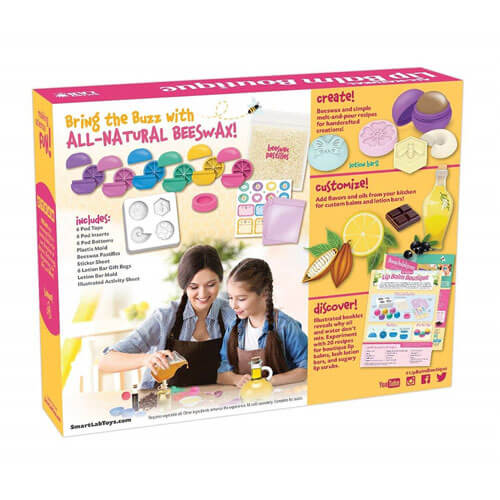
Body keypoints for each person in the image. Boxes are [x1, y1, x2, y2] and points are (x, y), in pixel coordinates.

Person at [99, 245, 235, 389]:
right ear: (184, 286)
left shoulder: (232, 313)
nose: (203, 294)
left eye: (211, 285)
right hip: (165, 399)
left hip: (216, 398)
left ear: (220, 281)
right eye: (194, 287)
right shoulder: (165, 317)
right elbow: (106, 362)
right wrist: (146, 359)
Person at [217, 258, 307, 388]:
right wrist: (236, 379)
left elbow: (306, 368)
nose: (233, 305)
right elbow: (221, 373)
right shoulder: (233, 329)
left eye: (241, 299)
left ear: (264, 293)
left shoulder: (286, 326)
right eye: (230, 298)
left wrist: (269, 381)